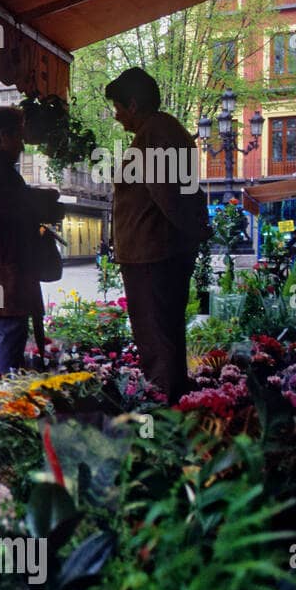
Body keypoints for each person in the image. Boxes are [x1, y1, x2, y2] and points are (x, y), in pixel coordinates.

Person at [106, 66, 209, 404]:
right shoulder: (164, 131)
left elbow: (170, 196)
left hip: (152, 257)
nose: (117, 117)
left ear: (133, 104)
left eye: (118, 108)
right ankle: (175, 403)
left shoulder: (156, 133)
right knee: (165, 336)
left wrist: (191, 233)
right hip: (157, 254)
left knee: (156, 340)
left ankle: (161, 417)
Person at [0, 107, 64, 376]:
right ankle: (5, 402)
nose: (22, 143)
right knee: (6, 337)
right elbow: (17, 207)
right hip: (1, 276)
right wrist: (45, 202)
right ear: (3, 135)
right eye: (18, 135)